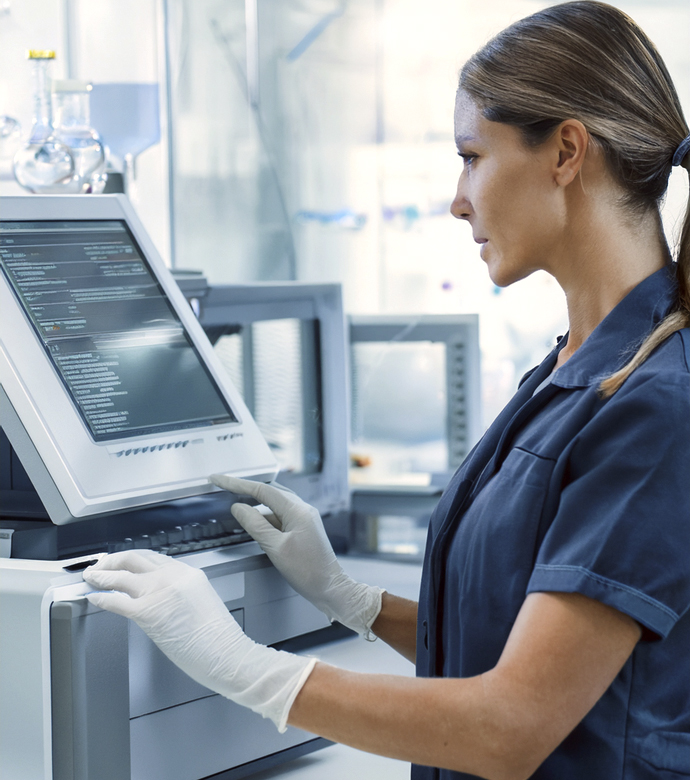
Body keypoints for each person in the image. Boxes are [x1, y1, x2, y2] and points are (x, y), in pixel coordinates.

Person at [83, 2, 690, 778]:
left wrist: (238, 662)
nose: (459, 198)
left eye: (472, 156)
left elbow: (509, 726)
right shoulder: (574, 370)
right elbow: (507, 642)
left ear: (566, 152)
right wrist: (349, 597)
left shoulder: (656, 406)